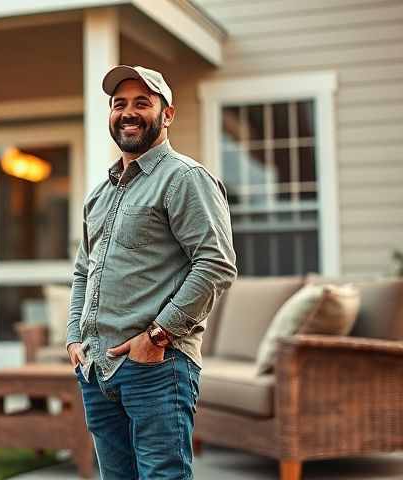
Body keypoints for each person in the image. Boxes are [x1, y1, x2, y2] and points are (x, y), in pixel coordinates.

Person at [65, 65, 238, 480]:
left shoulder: (185, 178)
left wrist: (158, 336)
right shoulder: (100, 193)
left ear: (168, 113)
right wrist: (74, 337)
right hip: (97, 368)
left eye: (142, 103)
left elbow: (215, 264)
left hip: (157, 368)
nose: (128, 112)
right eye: (119, 104)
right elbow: (83, 271)